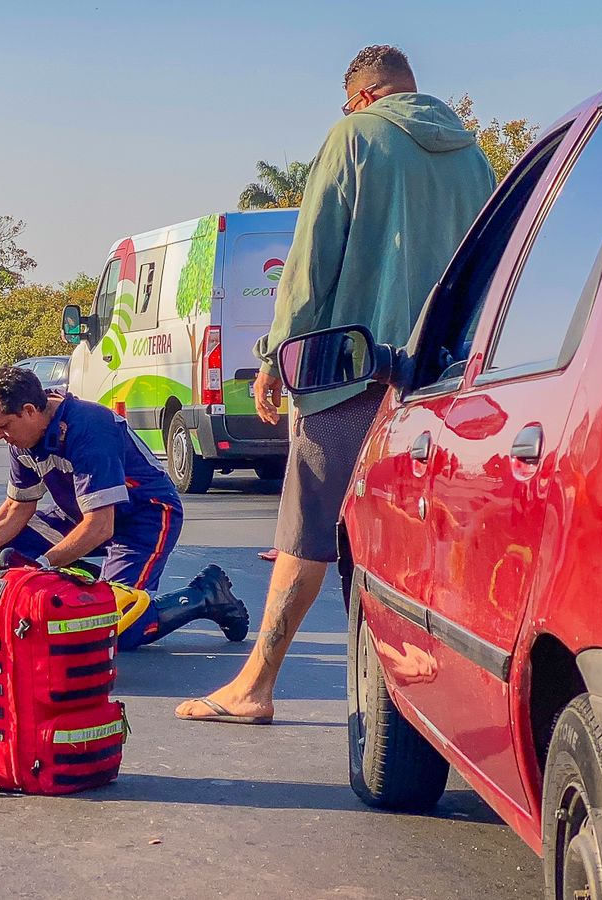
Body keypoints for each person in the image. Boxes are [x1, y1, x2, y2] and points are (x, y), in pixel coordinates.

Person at [176, 44, 495, 724]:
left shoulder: (356, 137)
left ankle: (256, 684)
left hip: (355, 369)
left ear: (362, 97)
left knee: (308, 525)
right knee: (424, 538)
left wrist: (274, 357)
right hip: (447, 377)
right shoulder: (475, 158)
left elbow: (312, 256)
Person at [0, 366, 249, 650]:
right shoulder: (21, 438)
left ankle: (205, 596)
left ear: (30, 410)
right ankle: (94, 589)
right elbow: (16, 509)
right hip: (80, 516)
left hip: (144, 518)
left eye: (3, 426)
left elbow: (101, 526)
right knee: (6, 551)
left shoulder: (89, 427)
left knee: (112, 628)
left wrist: (42, 566)